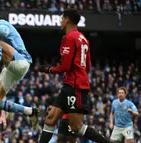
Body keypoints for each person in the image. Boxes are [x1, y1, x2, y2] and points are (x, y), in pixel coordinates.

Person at [38, 9, 110, 143]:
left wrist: (48, 69)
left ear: (67, 20)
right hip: (70, 85)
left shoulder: (69, 38)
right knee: (50, 119)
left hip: (75, 87)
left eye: (62, 18)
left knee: (76, 127)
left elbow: (65, 66)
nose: (60, 21)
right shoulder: (84, 39)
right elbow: (87, 66)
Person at [0, 9, 40, 130]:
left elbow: (3, 33)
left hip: (22, 61)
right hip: (11, 68)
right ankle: (30, 111)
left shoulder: (3, 24)